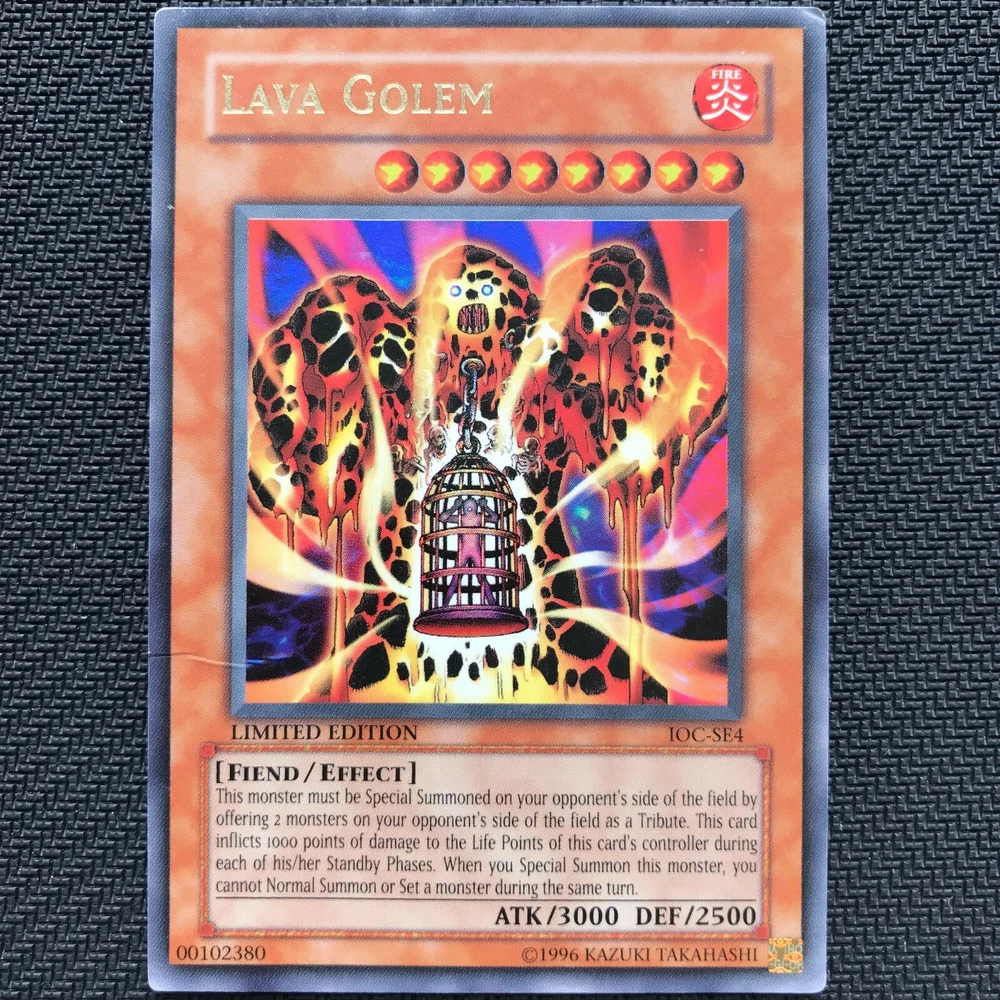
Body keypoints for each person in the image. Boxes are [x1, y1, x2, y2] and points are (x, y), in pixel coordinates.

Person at [438, 496, 499, 605]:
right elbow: (442, 518)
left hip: (476, 551)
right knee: (455, 578)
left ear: (476, 507)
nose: (469, 507)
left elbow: (495, 518)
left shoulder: (479, 517)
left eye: (472, 505)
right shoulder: (461, 518)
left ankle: (493, 604)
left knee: (482, 578)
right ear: (463, 508)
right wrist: (454, 507)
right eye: (467, 505)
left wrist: (486, 507)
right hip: (464, 551)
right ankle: (444, 605)